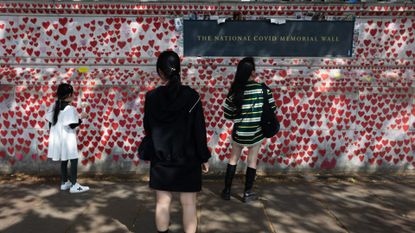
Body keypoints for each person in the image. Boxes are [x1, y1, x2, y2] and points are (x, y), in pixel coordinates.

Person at [143, 50, 211, 233]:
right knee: (189, 204)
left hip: (161, 158)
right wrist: (204, 157)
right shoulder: (192, 97)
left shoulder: (151, 98)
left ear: (160, 72)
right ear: (179, 70)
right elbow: (199, 131)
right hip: (188, 159)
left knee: (162, 203)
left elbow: (148, 128)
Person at [222, 57, 276, 203]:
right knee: (252, 161)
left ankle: (227, 191)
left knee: (233, 159)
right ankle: (247, 193)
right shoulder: (263, 89)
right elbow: (272, 109)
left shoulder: (235, 91)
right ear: (253, 72)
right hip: (256, 133)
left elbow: (227, 113)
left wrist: (238, 116)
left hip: (239, 133)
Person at [46, 83, 89, 193]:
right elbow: (72, 124)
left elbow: (52, 123)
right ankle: (74, 185)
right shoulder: (70, 108)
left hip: (59, 138)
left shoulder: (54, 106)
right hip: (68, 138)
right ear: (69, 94)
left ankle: (65, 182)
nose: (74, 96)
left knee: (64, 159)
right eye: (73, 94)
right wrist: (82, 117)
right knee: (73, 159)